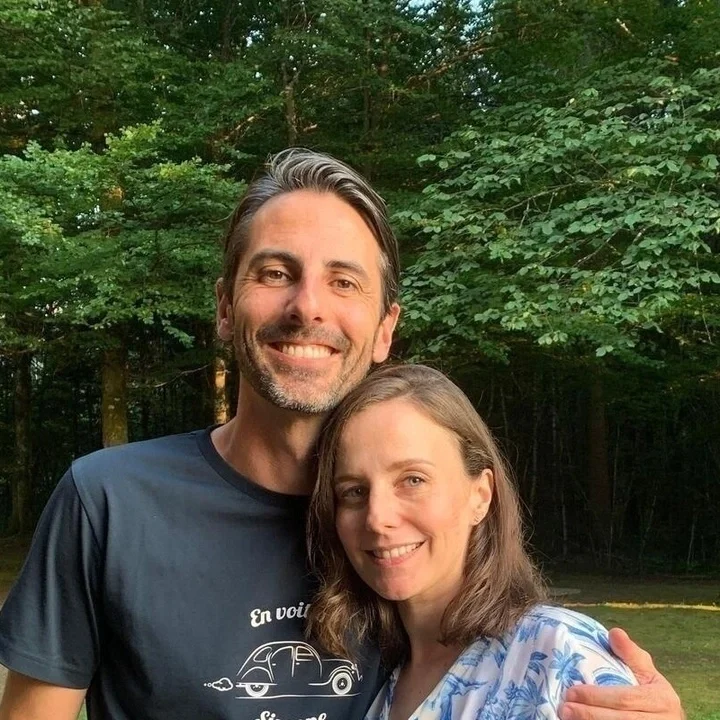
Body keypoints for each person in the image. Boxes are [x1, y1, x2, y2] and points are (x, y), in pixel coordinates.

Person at [0, 150, 683, 720]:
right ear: (224, 307)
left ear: (385, 329)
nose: (308, 307)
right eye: (275, 273)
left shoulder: (404, 549)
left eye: (344, 282)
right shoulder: (109, 502)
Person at [306, 363, 638, 719]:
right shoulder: (374, 680)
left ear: (480, 495)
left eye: (413, 480)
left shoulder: (559, 656)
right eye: (354, 491)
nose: (377, 517)